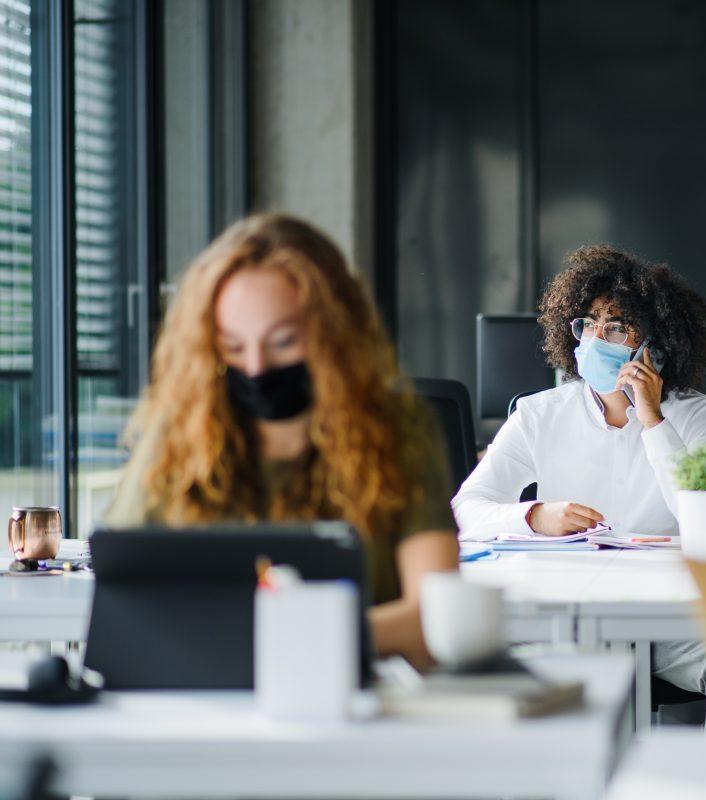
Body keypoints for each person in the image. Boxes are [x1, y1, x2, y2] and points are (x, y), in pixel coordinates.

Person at [106, 214, 459, 671]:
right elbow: (123, 587)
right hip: (200, 700)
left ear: (335, 334)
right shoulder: (177, 436)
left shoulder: (397, 430)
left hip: (353, 701)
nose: (256, 367)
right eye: (232, 347)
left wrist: (298, 640)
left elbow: (435, 617)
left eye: (284, 342)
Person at [452, 244, 706, 728]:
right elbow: (465, 508)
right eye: (588, 324)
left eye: (616, 326)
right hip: (568, 618)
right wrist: (534, 516)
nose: (597, 338)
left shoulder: (697, 413)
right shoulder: (540, 413)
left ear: (652, 342)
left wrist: (653, 419)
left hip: (667, 620)